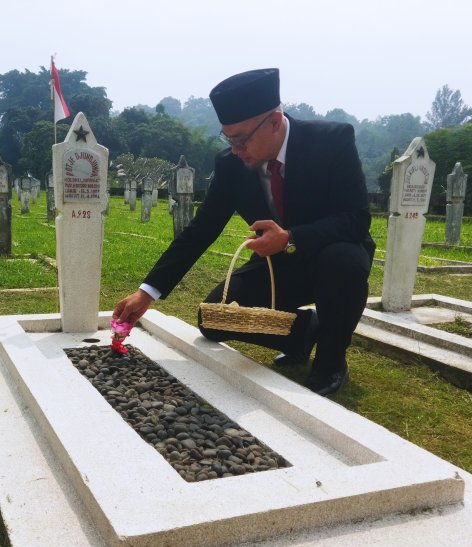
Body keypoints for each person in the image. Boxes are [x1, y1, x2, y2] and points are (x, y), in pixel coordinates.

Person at [113, 68, 375, 396]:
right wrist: (147, 292)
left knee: (343, 262)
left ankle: (331, 361)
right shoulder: (231, 165)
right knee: (214, 317)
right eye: (228, 139)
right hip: (277, 264)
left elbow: (355, 218)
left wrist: (291, 237)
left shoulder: (331, 141)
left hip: (334, 256)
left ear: (275, 122)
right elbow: (202, 229)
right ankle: (305, 332)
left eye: (241, 139)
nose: (236, 149)